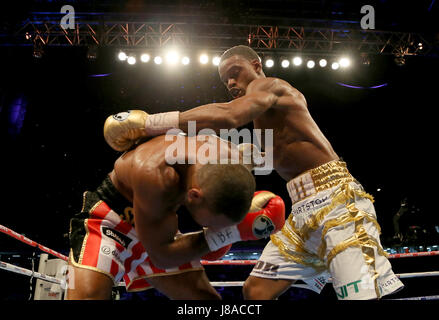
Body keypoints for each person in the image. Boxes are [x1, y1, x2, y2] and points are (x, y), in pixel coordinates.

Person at [102, 45, 404, 300]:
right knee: (255, 291)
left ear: (256, 65)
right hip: (302, 210)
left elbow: (229, 116)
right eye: (225, 80)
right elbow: (272, 158)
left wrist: (150, 123)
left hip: (336, 199)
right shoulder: (264, 120)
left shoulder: (269, 85)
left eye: (235, 72)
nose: (231, 83)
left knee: (360, 295)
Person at [67, 132, 285, 299]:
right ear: (194, 195)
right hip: (109, 223)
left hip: (158, 228)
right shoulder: (156, 176)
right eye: (213, 224)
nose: (216, 229)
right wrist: (232, 234)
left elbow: (252, 156)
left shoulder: (231, 157)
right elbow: (161, 256)